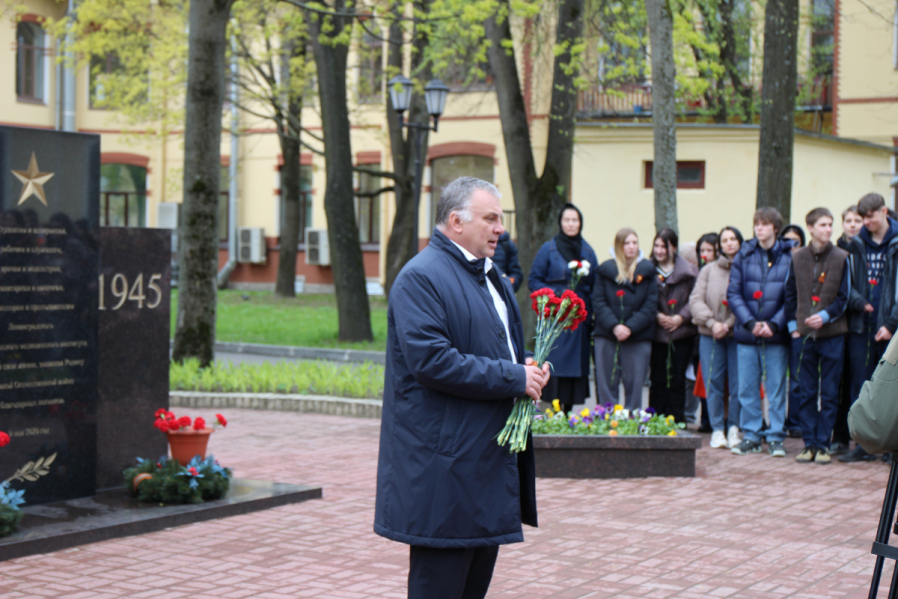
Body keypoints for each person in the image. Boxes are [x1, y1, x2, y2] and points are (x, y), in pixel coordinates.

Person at [374, 176, 550, 599]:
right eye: (491, 218)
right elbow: (433, 362)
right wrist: (513, 377)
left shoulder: (491, 277)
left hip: (482, 464)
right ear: (455, 221)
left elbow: (494, 345)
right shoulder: (421, 277)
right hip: (444, 471)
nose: (500, 228)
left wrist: (524, 366)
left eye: (500, 219)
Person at [784, 208, 850, 464]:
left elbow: (844, 298)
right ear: (810, 228)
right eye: (823, 224)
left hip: (832, 334)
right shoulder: (797, 257)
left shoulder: (842, 257)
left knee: (830, 392)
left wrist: (824, 316)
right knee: (806, 391)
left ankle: (824, 444)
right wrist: (793, 327)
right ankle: (809, 443)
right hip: (803, 336)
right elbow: (789, 294)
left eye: (831, 224)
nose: (829, 229)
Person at [728, 207, 796, 457]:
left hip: (775, 335)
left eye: (765, 224)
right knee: (747, 387)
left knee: (776, 386)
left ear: (775, 228)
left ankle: (776, 436)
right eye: (756, 223)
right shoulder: (743, 255)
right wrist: (750, 323)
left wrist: (773, 324)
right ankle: (752, 435)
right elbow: (733, 293)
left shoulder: (790, 256)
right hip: (748, 334)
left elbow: (791, 296)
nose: (759, 228)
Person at [840, 193, 898, 462]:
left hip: (890, 327)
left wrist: (890, 324)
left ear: (884, 211)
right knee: (860, 382)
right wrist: (858, 301)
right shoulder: (854, 245)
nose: (865, 223)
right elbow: (845, 285)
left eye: (870, 216)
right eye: (862, 218)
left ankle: (891, 444)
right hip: (861, 324)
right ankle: (862, 444)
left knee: (890, 386)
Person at [528, 203, 598, 414]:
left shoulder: (587, 252)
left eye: (574, 220)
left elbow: (595, 286)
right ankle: (551, 411)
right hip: (555, 319)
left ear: (580, 223)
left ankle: (567, 412)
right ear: (560, 222)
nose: (571, 224)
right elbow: (534, 280)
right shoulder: (548, 249)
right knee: (555, 363)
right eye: (567, 220)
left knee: (574, 367)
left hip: (578, 320)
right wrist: (555, 295)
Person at [689, 226, 744, 449]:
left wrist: (728, 324)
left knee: (739, 383)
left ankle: (733, 427)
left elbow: (747, 301)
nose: (729, 243)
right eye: (725, 240)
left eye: (733, 239)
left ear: (740, 242)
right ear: (719, 245)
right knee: (713, 382)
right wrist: (713, 323)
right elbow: (695, 300)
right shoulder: (708, 270)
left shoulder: (745, 268)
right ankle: (717, 429)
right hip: (710, 335)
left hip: (737, 335)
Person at [593, 228, 658, 411]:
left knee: (635, 383)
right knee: (607, 382)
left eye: (634, 243)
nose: (631, 247)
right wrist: (614, 326)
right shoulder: (606, 271)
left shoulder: (648, 272)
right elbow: (599, 301)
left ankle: (632, 423)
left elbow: (650, 305)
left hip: (638, 336)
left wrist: (629, 327)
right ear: (619, 246)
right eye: (627, 243)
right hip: (607, 335)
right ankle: (608, 420)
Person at [649, 228, 698, 424]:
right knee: (658, 378)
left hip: (681, 332)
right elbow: (642, 298)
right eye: (657, 246)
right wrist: (657, 315)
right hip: (656, 332)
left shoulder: (690, 271)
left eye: (664, 246)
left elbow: (695, 298)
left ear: (674, 247)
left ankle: (677, 418)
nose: (660, 251)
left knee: (677, 378)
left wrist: (680, 317)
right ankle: (654, 418)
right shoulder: (646, 270)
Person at [831, 205, 863, 454]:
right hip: (840, 324)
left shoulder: (866, 248)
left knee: (859, 383)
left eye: (857, 220)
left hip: (862, 324)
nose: (852, 224)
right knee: (840, 383)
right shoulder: (837, 250)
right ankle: (839, 436)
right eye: (848, 220)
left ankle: (861, 438)